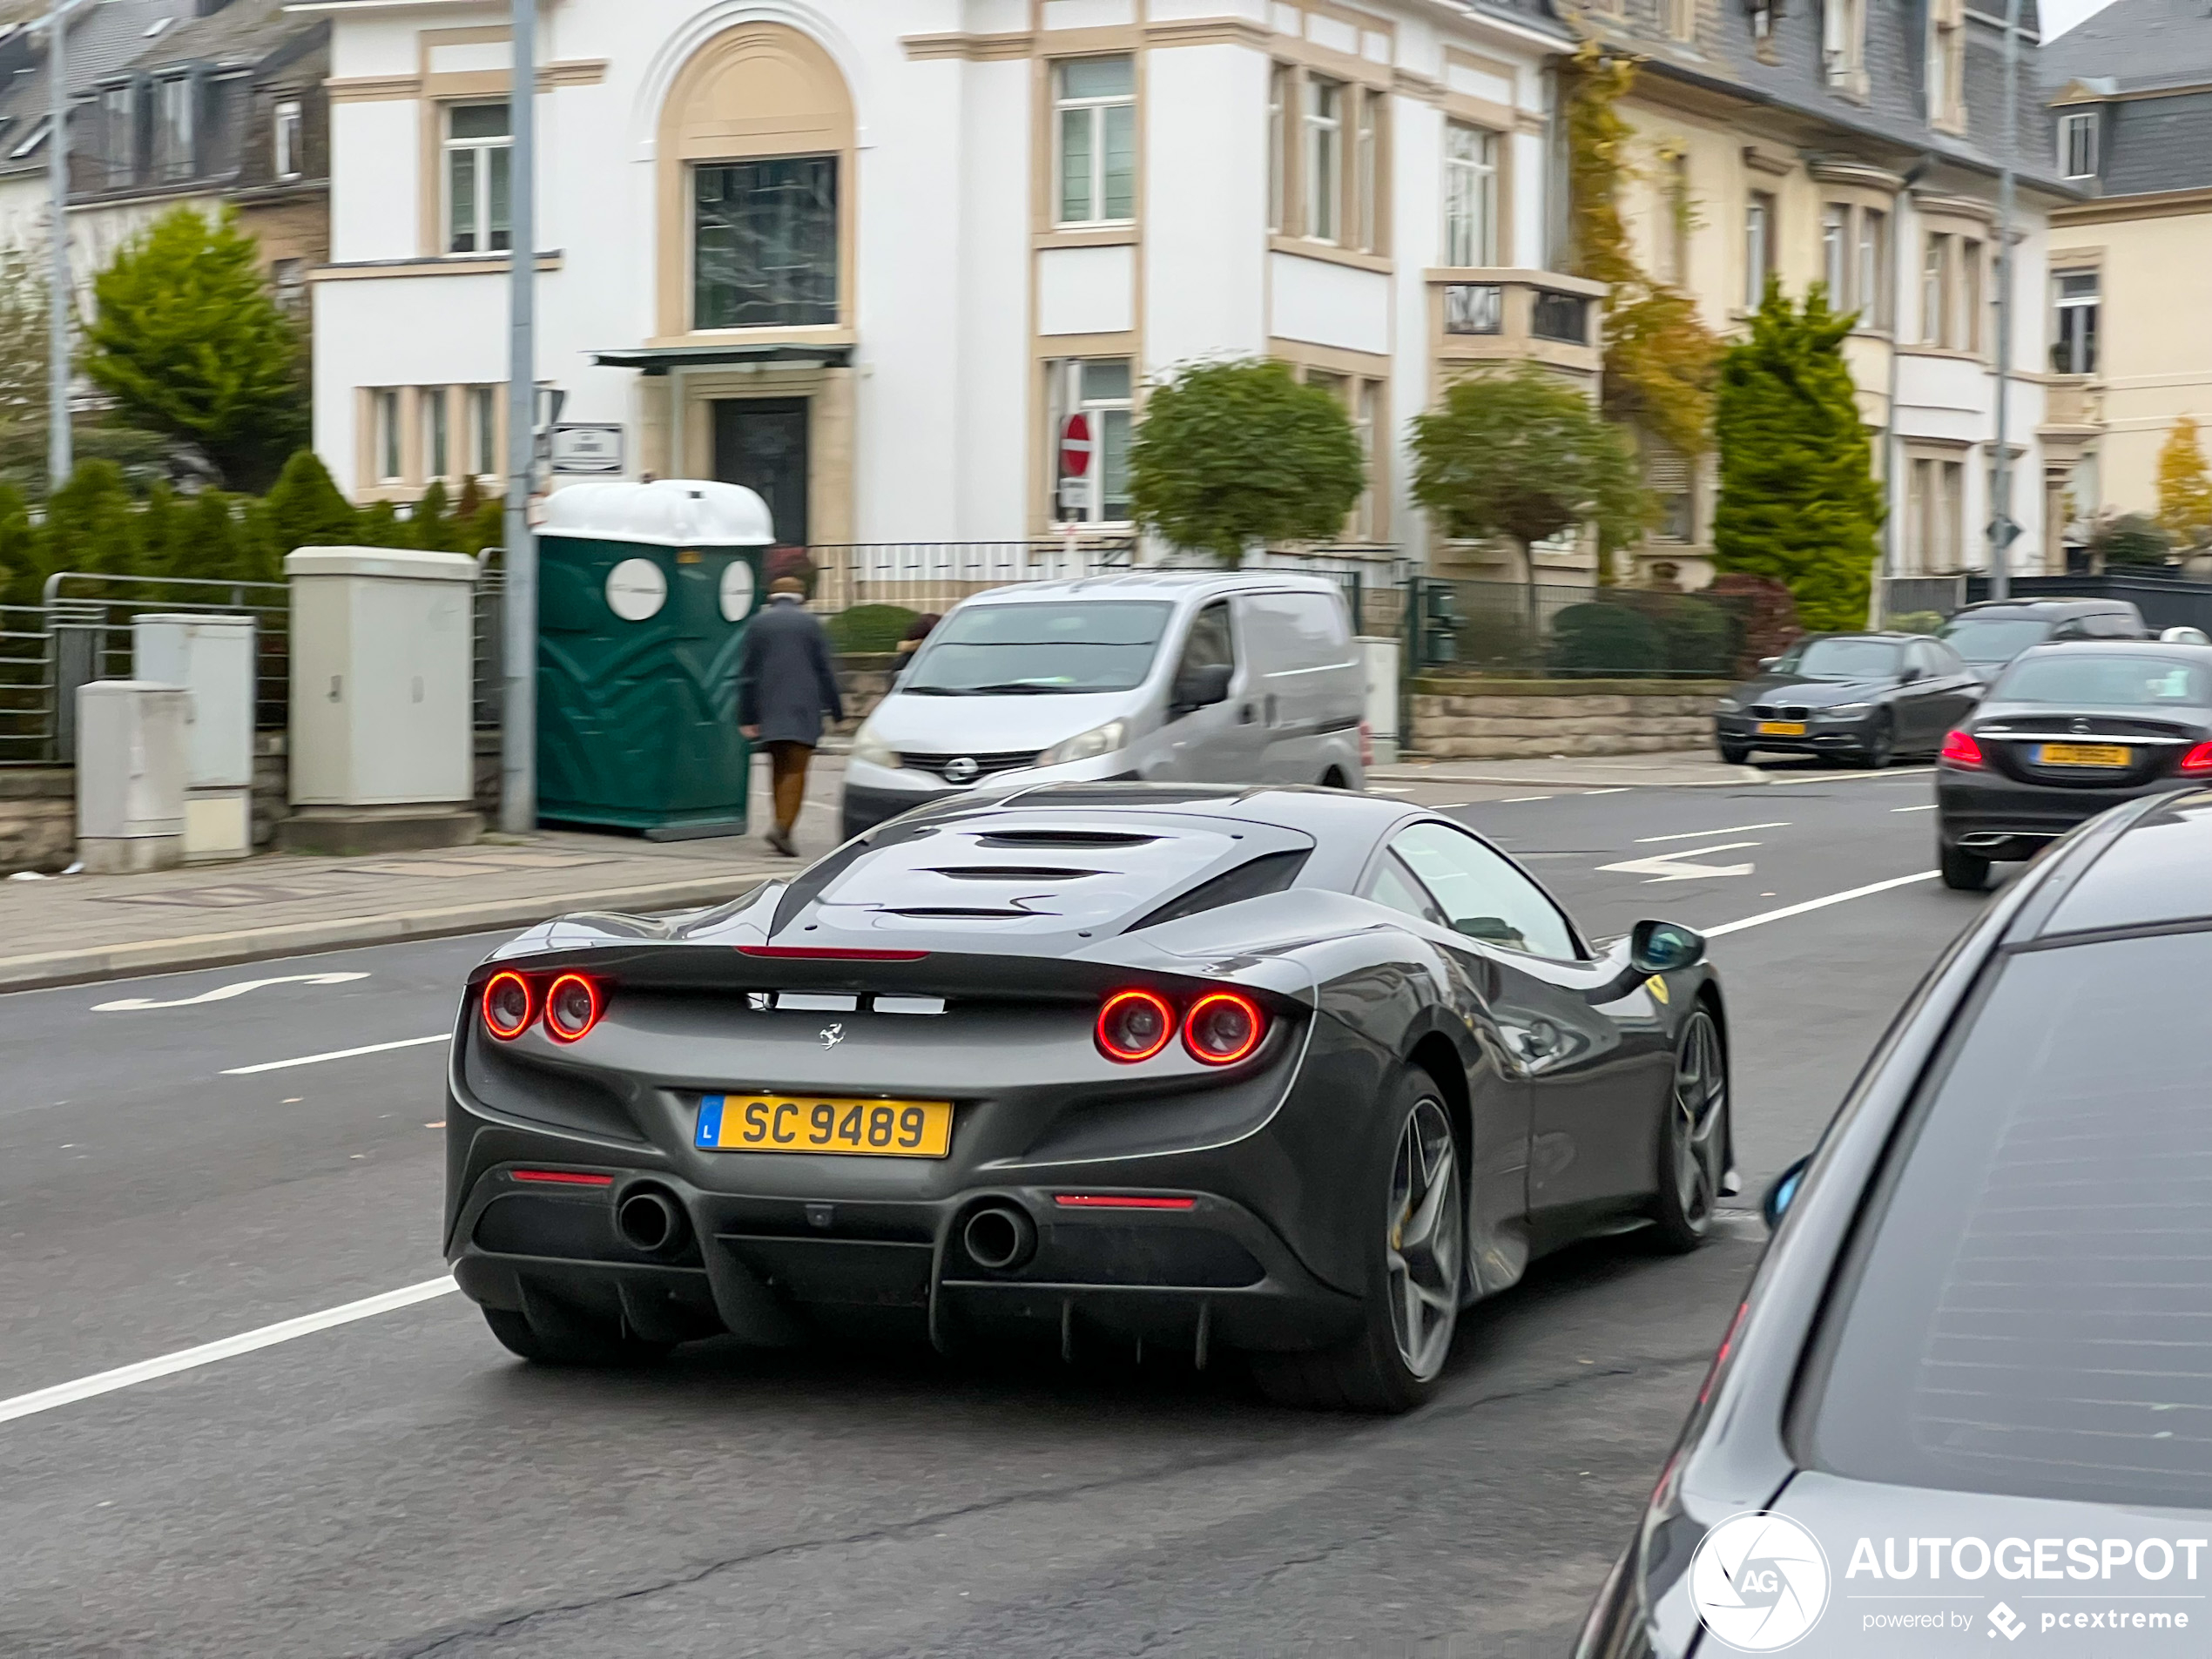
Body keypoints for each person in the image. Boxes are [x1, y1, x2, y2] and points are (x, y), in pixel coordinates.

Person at [736, 576, 844, 857]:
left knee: (778, 767)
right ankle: (783, 828)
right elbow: (825, 670)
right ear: (801, 597)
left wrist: (746, 715)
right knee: (797, 769)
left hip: (768, 708)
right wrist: (837, 709)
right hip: (803, 709)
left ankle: (780, 823)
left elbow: (747, 674)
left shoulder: (758, 624)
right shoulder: (810, 624)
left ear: (772, 596)